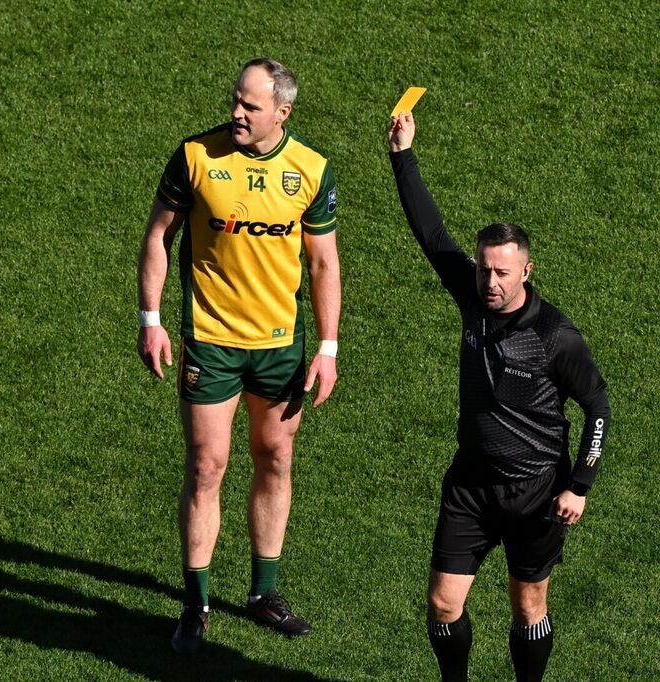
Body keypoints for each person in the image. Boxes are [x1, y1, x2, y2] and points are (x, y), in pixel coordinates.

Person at [388, 112, 611, 682]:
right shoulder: (472, 295)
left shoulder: (556, 337)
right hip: (470, 483)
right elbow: (433, 236)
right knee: (442, 602)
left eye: (502, 273)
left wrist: (579, 485)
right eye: (485, 270)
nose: (490, 283)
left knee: (528, 605)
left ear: (526, 270)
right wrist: (402, 156)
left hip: (536, 490)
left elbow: (599, 410)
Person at [136, 58, 341, 655]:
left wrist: (326, 348)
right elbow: (158, 236)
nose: (237, 113)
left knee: (275, 458)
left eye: (251, 106)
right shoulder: (197, 157)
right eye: (235, 100)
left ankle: (263, 593)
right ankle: (195, 604)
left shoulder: (310, 170)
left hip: (280, 347)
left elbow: (324, 263)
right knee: (206, 466)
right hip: (212, 341)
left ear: (283, 113)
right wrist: (151, 320)